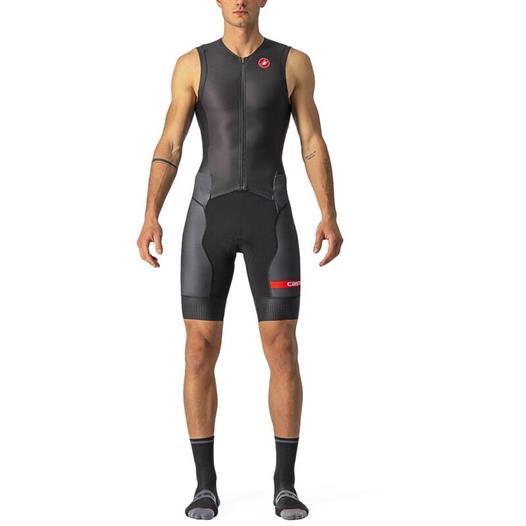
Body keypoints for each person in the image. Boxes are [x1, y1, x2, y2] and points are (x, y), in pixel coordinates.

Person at [137, 0, 343, 520]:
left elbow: (312, 141)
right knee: (198, 351)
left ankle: (285, 485)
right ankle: (205, 485)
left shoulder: (293, 63)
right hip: (209, 219)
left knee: (283, 348)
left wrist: (329, 213)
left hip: (270, 217)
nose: (240, 0)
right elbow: (170, 142)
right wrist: (150, 214)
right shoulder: (193, 64)